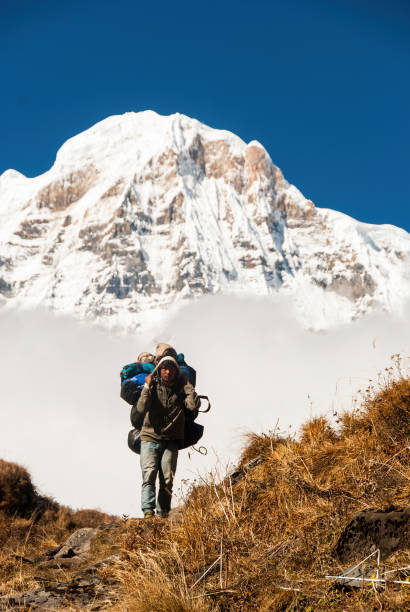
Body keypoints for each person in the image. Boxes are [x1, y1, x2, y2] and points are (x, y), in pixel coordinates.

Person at [131, 353, 199, 518]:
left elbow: (192, 406)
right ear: (159, 370)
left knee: (167, 480)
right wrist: (147, 387)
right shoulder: (152, 387)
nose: (167, 372)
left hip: (171, 440)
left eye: (171, 369)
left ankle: (163, 515)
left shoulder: (181, 389)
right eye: (164, 368)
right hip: (149, 437)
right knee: (149, 475)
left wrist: (188, 386)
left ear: (176, 371)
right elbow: (141, 408)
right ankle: (148, 513)